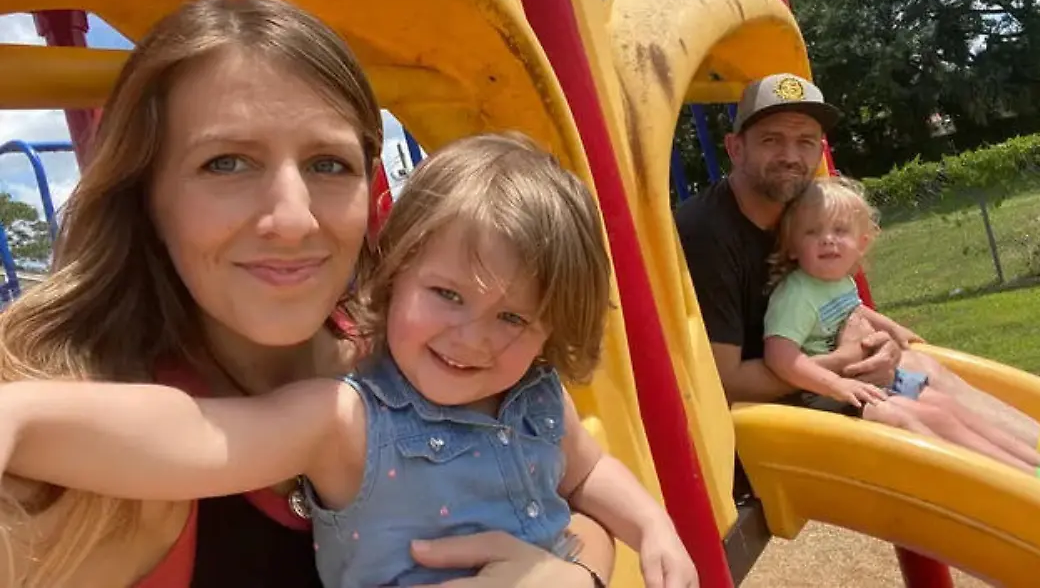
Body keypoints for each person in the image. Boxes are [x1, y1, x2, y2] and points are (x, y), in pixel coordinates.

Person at [0, 0, 615, 588]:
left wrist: (576, 575)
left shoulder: (428, 359)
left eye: (328, 164)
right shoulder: (87, 474)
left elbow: (567, 493)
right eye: (227, 163)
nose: (293, 220)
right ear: (147, 199)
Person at [0, 133, 695, 588]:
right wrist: (23, 415)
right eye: (447, 294)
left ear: (549, 331)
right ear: (395, 274)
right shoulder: (349, 418)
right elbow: (193, 433)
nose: (474, 337)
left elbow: (590, 470)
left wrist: (651, 524)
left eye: (512, 317)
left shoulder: (540, 397)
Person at [675, 71, 1040, 557]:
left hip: (821, 375)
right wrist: (850, 361)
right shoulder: (707, 232)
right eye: (772, 140)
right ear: (735, 147)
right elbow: (727, 380)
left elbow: (840, 307)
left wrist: (879, 344)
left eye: (805, 141)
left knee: (926, 370)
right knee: (912, 413)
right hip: (759, 417)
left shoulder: (803, 207)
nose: (791, 155)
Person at [764, 175, 1040, 500]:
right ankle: (1019, 485)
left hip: (867, 385)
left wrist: (892, 327)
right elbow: (780, 358)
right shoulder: (796, 295)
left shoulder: (836, 280)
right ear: (792, 246)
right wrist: (836, 384)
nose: (827, 240)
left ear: (861, 244)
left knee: (948, 409)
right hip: (833, 399)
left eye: (839, 231)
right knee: (926, 419)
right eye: (813, 232)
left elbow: (855, 310)